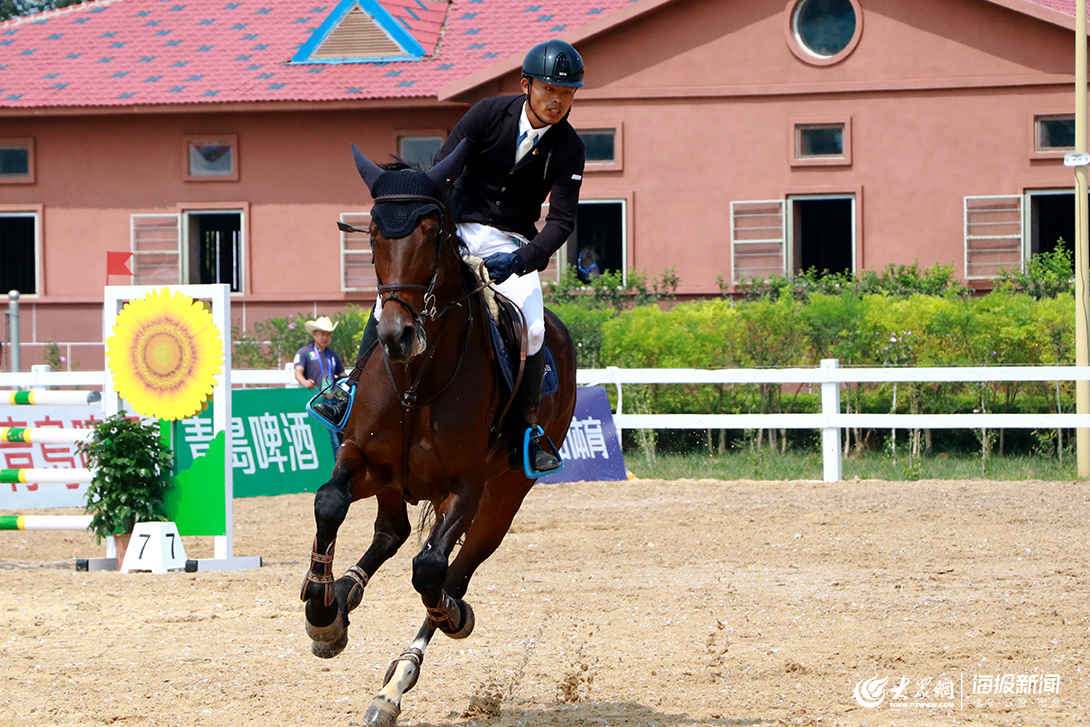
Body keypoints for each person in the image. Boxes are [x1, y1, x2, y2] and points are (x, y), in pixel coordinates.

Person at [318, 39, 585, 475]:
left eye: (568, 92)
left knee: (534, 328)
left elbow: (561, 221)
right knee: (390, 303)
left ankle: (528, 427)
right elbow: (442, 172)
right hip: (457, 230)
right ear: (526, 85)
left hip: (511, 243)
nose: (558, 100)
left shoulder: (570, 147)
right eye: (549, 89)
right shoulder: (486, 114)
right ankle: (348, 389)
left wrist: (522, 260)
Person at [295, 316, 347, 452]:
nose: (325, 337)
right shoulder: (304, 353)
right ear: (314, 334)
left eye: (328, 334)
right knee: (329, 438)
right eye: (322, 333)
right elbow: (298, 372)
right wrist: (305, 382)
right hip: (316, 399)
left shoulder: (332, 355)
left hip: (332, 398)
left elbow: (342, 375)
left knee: (338, 434)